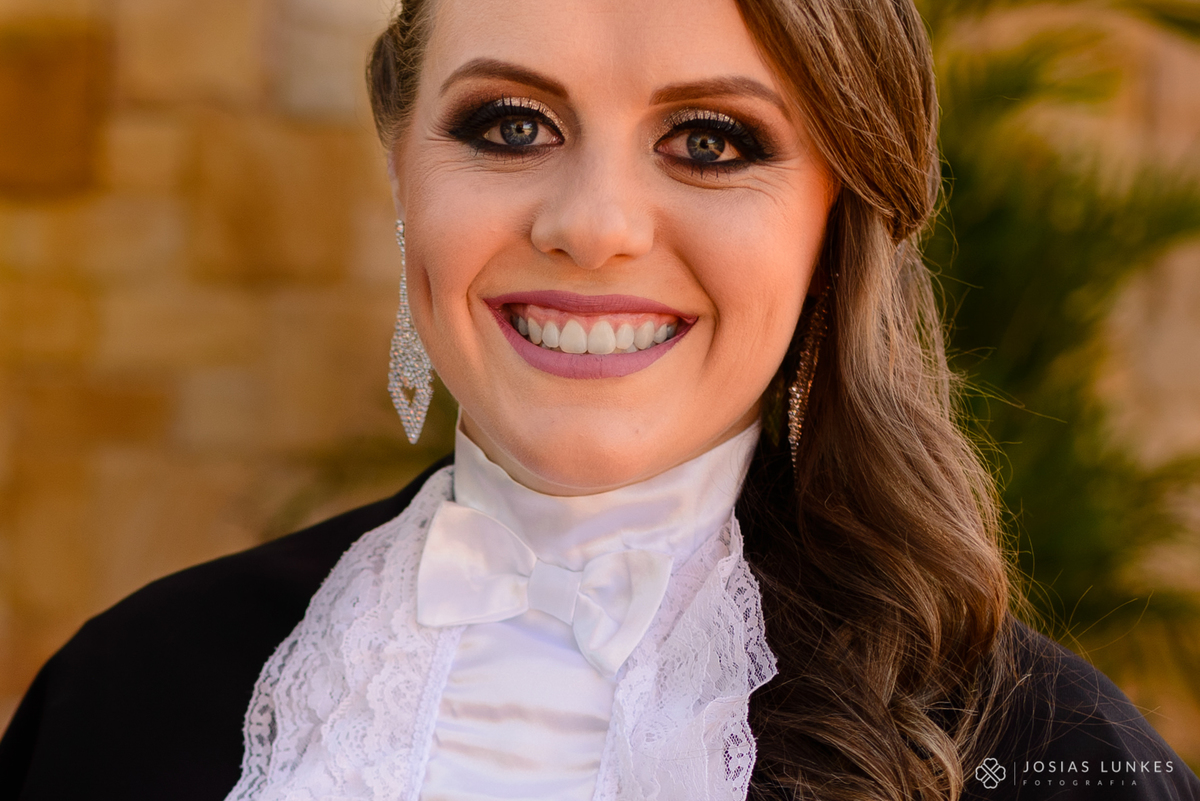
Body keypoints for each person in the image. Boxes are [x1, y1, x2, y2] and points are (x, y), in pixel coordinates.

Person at [1, 0, 1197, 798]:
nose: (592, 227)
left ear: (838, 215)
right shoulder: (125, 697)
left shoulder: (1047, 760)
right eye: (511, 124)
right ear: (401, 163)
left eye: (713, 141)